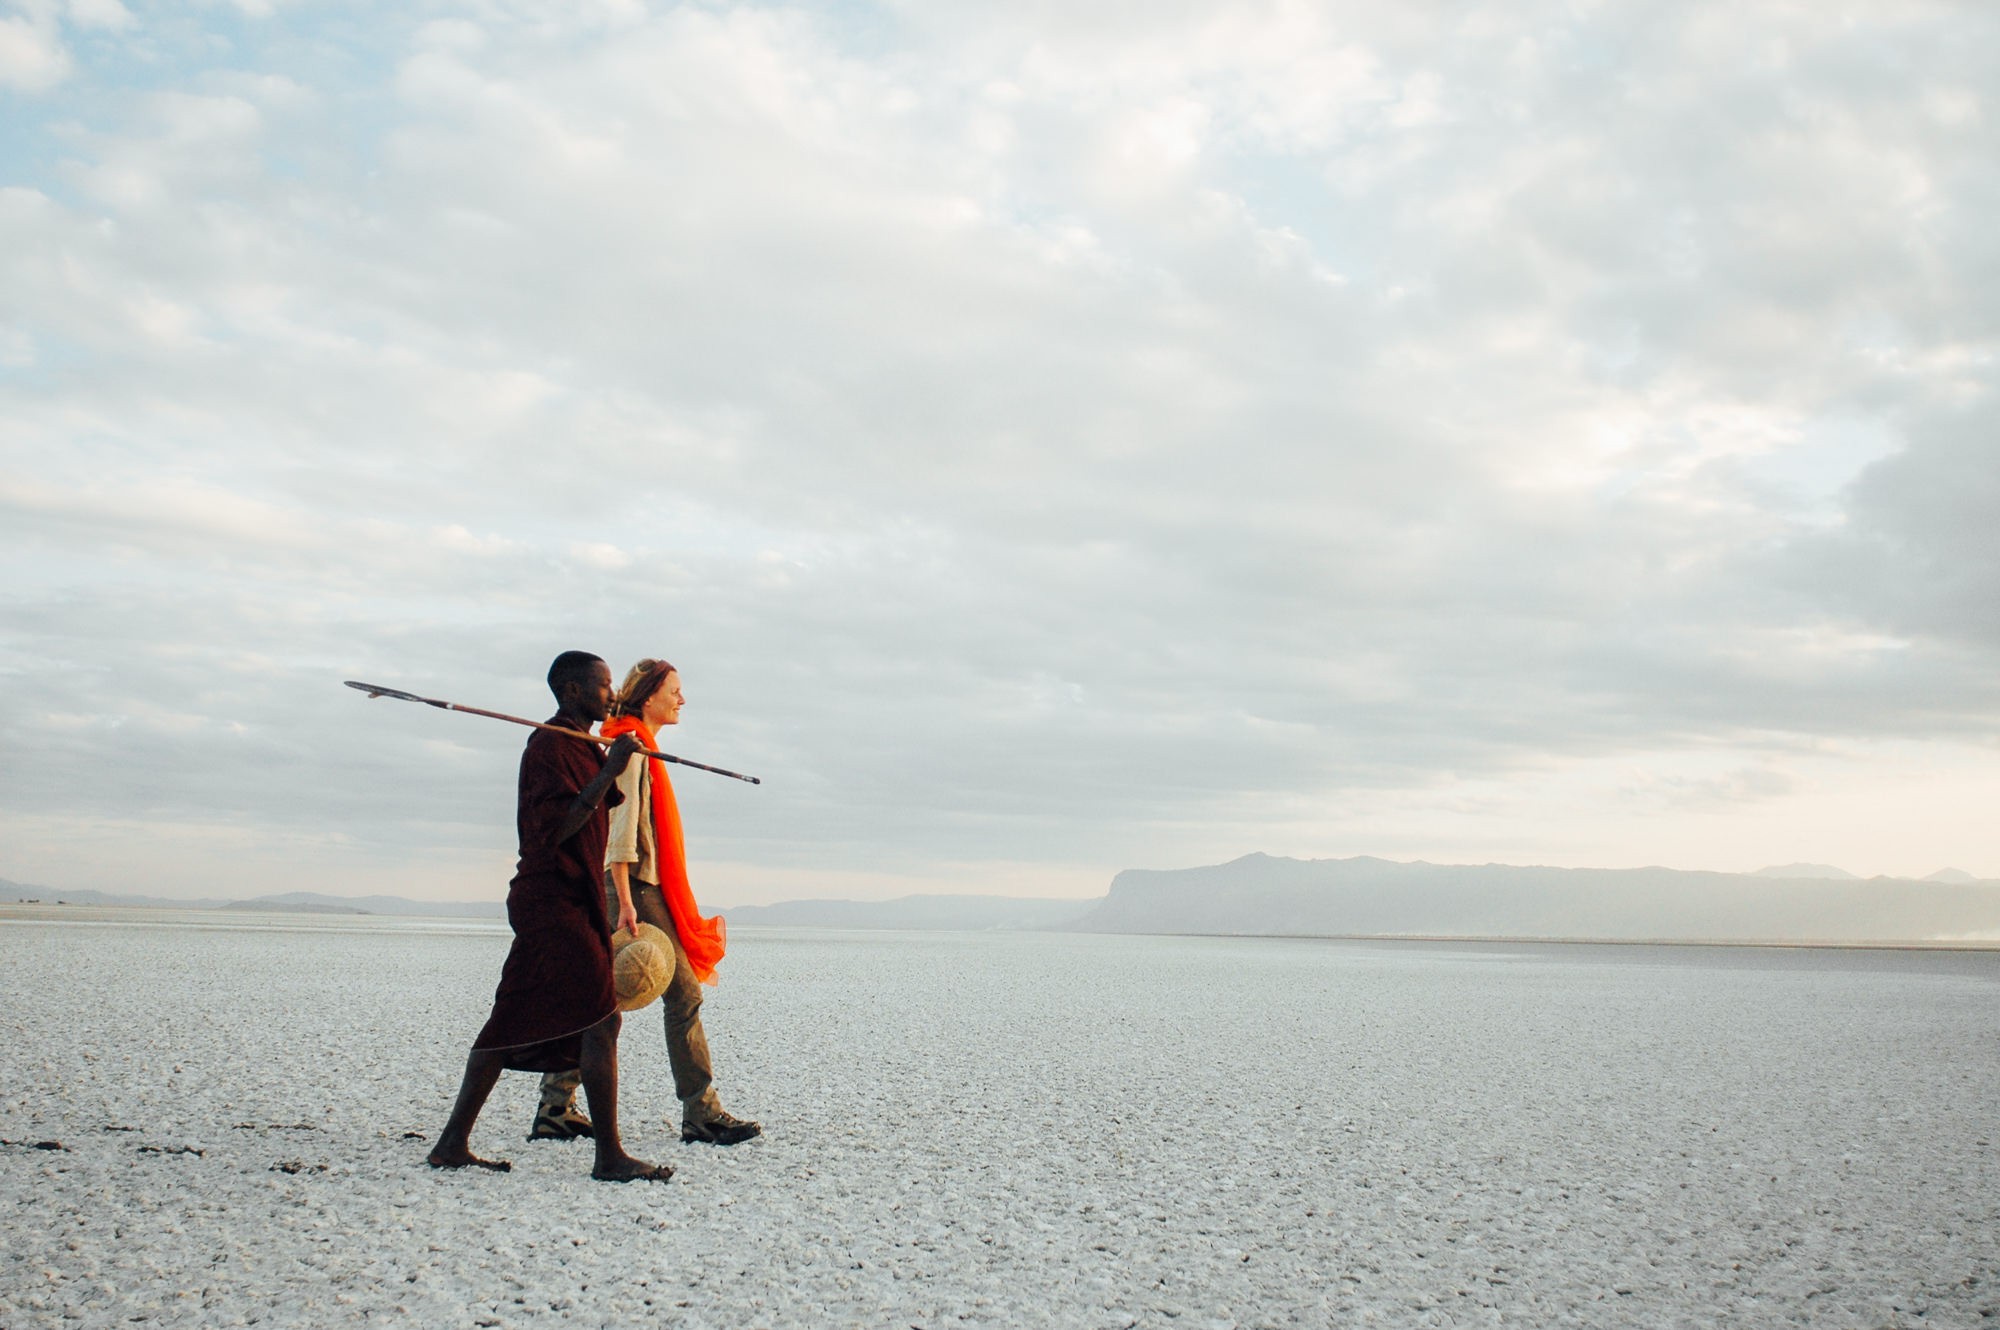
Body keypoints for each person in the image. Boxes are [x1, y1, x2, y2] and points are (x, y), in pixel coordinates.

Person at [426, 651, 672, 1183]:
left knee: (516, 1017)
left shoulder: (581, 746)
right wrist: (611, 768)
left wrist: (608, 763)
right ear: (572, 691)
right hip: (551, 899)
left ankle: (451, 1143)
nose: (612, 695)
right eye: (603, 685)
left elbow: (595, 809)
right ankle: (609, 1157)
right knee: (600, 1020)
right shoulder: (548, 745)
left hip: (572, 898)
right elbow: (558, 828)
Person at [531, 658, 761, 1146]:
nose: (681, 700)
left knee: (603, 996)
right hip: (634, 887)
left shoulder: (638, 746)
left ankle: (555, 1104)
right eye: (674, 691)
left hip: (636, 885)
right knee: (681, 995)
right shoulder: (632, 751)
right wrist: (624, 900)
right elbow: (619, 830)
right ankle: (701, 1114)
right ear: (649, 696)